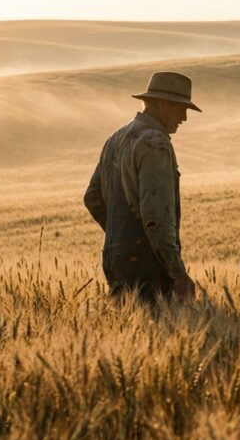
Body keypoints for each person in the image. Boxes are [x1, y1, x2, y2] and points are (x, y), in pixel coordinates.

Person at [84, 72, 200, 304]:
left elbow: (92, 197)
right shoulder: (155, 142)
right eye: (180, 108)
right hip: (147, 262)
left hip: (113, 257)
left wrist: (120, 235)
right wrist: (177, 272)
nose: (184, 117)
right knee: (162, 332)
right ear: (162, 104)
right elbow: (155, 217)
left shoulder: (116, 137)